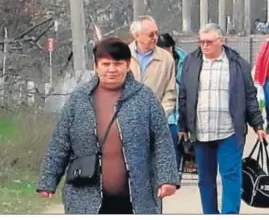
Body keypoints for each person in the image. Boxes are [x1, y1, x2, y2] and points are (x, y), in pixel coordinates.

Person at [36, 38, 179, 214]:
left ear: (127, 65)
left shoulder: (144, 98)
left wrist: (167, 178)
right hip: (85, 194)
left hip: (136, 196)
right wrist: (48, 180)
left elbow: (161, 140)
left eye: (118, 64)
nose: (112, 69)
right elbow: (60, 142)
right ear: (96, 66)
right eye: (106, 64)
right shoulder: (78, 99)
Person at [177, 23, 266, 214]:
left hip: (229, 131)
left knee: (231, 176)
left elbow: (249, 95)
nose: (204, 46)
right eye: (201, 41)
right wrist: (183, 125)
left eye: (209, 42)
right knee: (205, 179)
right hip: (201, 132)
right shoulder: (191, 63)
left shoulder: (237, 64)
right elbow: (184, 95)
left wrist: (258, 124)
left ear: (221, 41)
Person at [128, 15, 177, 130]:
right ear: (136, 35)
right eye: (150, 35)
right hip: (127, 124)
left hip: (156, 125)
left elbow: (170, 92)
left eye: (156, 33)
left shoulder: (167, 59)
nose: (155, 38)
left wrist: (160, 116)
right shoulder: (122, 56)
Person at [157, 33, 188, 171]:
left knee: (176, 143)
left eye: (167, 49)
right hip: (162, 109)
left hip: (178, 110)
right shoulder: (156, 62)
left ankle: (175, 172)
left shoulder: (184, 60)